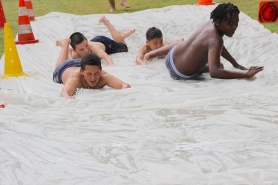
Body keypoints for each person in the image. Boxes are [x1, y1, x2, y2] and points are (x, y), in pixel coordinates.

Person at [144, 3, 264, 80]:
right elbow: (214, 72)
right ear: (218, 21)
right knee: (219, 66)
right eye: (230, 23)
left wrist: (234, 63)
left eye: (236, 22)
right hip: (180, 73)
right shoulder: (216, 40)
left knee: (182, 44)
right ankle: (153, 55)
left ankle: (151, 54)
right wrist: (246, 74)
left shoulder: (211, 24)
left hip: (171, 56)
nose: (234, 27)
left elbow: (218, 47)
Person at [53, 38, 131, 99]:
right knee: (58, 67)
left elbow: (125, 86)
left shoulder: (103, 76)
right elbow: (64, 94)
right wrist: (70, 98)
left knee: (82, 64)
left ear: (100, 70)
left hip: (82, 63)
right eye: (89, 74)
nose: (93, 78)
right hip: (65, 67)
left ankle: (70, 54)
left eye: (96, 73)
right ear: (82, 72)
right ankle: (65, 44)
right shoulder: (75, 77)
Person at [56, 15, 135, 66]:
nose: (86, 50)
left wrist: (111, 64)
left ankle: (105, 21)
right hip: (95, 41)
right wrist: (61, 44)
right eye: (81, 49)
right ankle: (121, 35)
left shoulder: (92, 48)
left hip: (104, 43)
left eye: (86, 45)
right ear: (75, 50)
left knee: (124, 46)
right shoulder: (73, 53)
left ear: (86, 40)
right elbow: (67, 53)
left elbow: (104, 55)